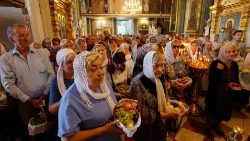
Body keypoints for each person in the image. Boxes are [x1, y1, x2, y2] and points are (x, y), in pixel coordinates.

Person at [0, 24, 55, 140]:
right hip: (25, 103)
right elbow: (8, 85)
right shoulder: (6, 59)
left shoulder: (41, 53)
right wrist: (29, 100)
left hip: (46, 98)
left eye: (27, 34)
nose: (26, 38)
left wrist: (45, 94)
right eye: (21, 35)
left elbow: (51, 74)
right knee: (33, 133)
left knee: (51, 130)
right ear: (11, 39)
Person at [58, 51, 122, 141]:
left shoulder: (104, 85)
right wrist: (104, 130)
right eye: (93, 69)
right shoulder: (71, 99)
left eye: (101, 67)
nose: (101, 73)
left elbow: (112, 109)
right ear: (81, 73)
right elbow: (67, 139)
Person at [129, 51, 178, 141]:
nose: (160, 69)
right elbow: (141, 114)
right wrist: (165, 115)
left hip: (160, 125)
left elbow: (164, 97)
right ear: (147, 64)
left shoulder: (159, 77)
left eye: (162, 65)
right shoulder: (137, 83)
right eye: (156, 66)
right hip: (147, 130)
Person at [204, 42, 239, 140]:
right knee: (213, 110)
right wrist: (219, 70)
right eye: (228, 52)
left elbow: (235, 78)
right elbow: (211, 80)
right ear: (223, 52)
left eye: (233, 51)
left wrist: (236, 84)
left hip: (228, 93)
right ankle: (208, 128)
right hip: (216, 92)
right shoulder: (216, 63)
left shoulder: (235, 64)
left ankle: (216, 125)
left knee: (223, 109)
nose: (231, 54)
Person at [49, 48, 76, 114]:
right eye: (69, 62)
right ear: (62, 66)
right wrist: (65, 100)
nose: (73, 64)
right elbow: (51, 109)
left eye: (75, 61)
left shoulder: (81, 77)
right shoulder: (55, 81)